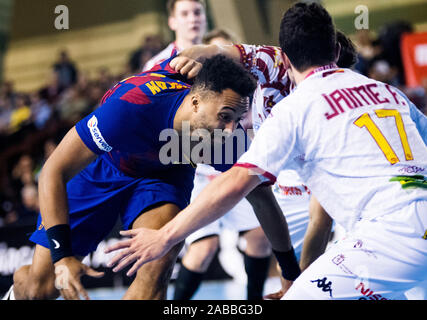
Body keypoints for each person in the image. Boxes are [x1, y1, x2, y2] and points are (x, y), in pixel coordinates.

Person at [106, 2, 427, 300]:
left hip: (389, 234)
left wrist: (163, 237)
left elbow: (236, 183)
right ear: (336, 49)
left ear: (284, 57)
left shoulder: (295, 107)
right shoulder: (388, 92)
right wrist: (294, 278)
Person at [3, 54, 259, 300]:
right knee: (40, 289)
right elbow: (52, 171)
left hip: (164, 172)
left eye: (235, 121)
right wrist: (61, 259)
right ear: (195, 102)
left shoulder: (226, 136)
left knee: (158, 262)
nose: (229, 131)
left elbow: (263, 196)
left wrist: (289, 272)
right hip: (105, 164)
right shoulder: (132, 105)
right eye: (225, 118)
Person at [173, 29, 272, 301]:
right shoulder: (190, 84)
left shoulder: (247, 89)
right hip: (199, 178)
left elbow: (255, 126)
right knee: (204, 248)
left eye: (226, 52)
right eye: (214, 53)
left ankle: (254, 301)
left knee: (261, 235)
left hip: (234, 172)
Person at [143, 0, 207, 72]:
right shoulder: (156, 65)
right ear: (172, 22)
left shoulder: (218, 55)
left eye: (197, 13)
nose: (193, 19)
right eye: (184, 14)